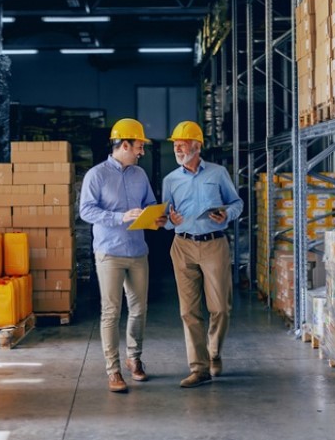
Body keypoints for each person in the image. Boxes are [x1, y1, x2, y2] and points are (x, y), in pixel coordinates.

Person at [79, 118, 167, 393]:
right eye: (139, 146)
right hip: (109, 252)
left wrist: (156, 218)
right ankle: (113, 370)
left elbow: (150, 204)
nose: (141, 152)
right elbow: (86, 211)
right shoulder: (97, 175)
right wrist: (120, 216)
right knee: (111, 311)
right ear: (124, 144)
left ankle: (134, 359)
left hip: (138, 250)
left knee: (139, 309)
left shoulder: (139, 175)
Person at [162, 120, 244, 388]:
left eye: (182, 143)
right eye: (175, 144)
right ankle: (198, 368)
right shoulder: (170, 180)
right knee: (189, 311)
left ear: (197, 146)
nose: (177, 147)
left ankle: (214, 352)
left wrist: (226, 215)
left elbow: (237, 203)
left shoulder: (218, 174)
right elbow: (166, 218)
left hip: (214, 243)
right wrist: (170, 219)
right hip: (182, 245)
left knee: (220, 307)